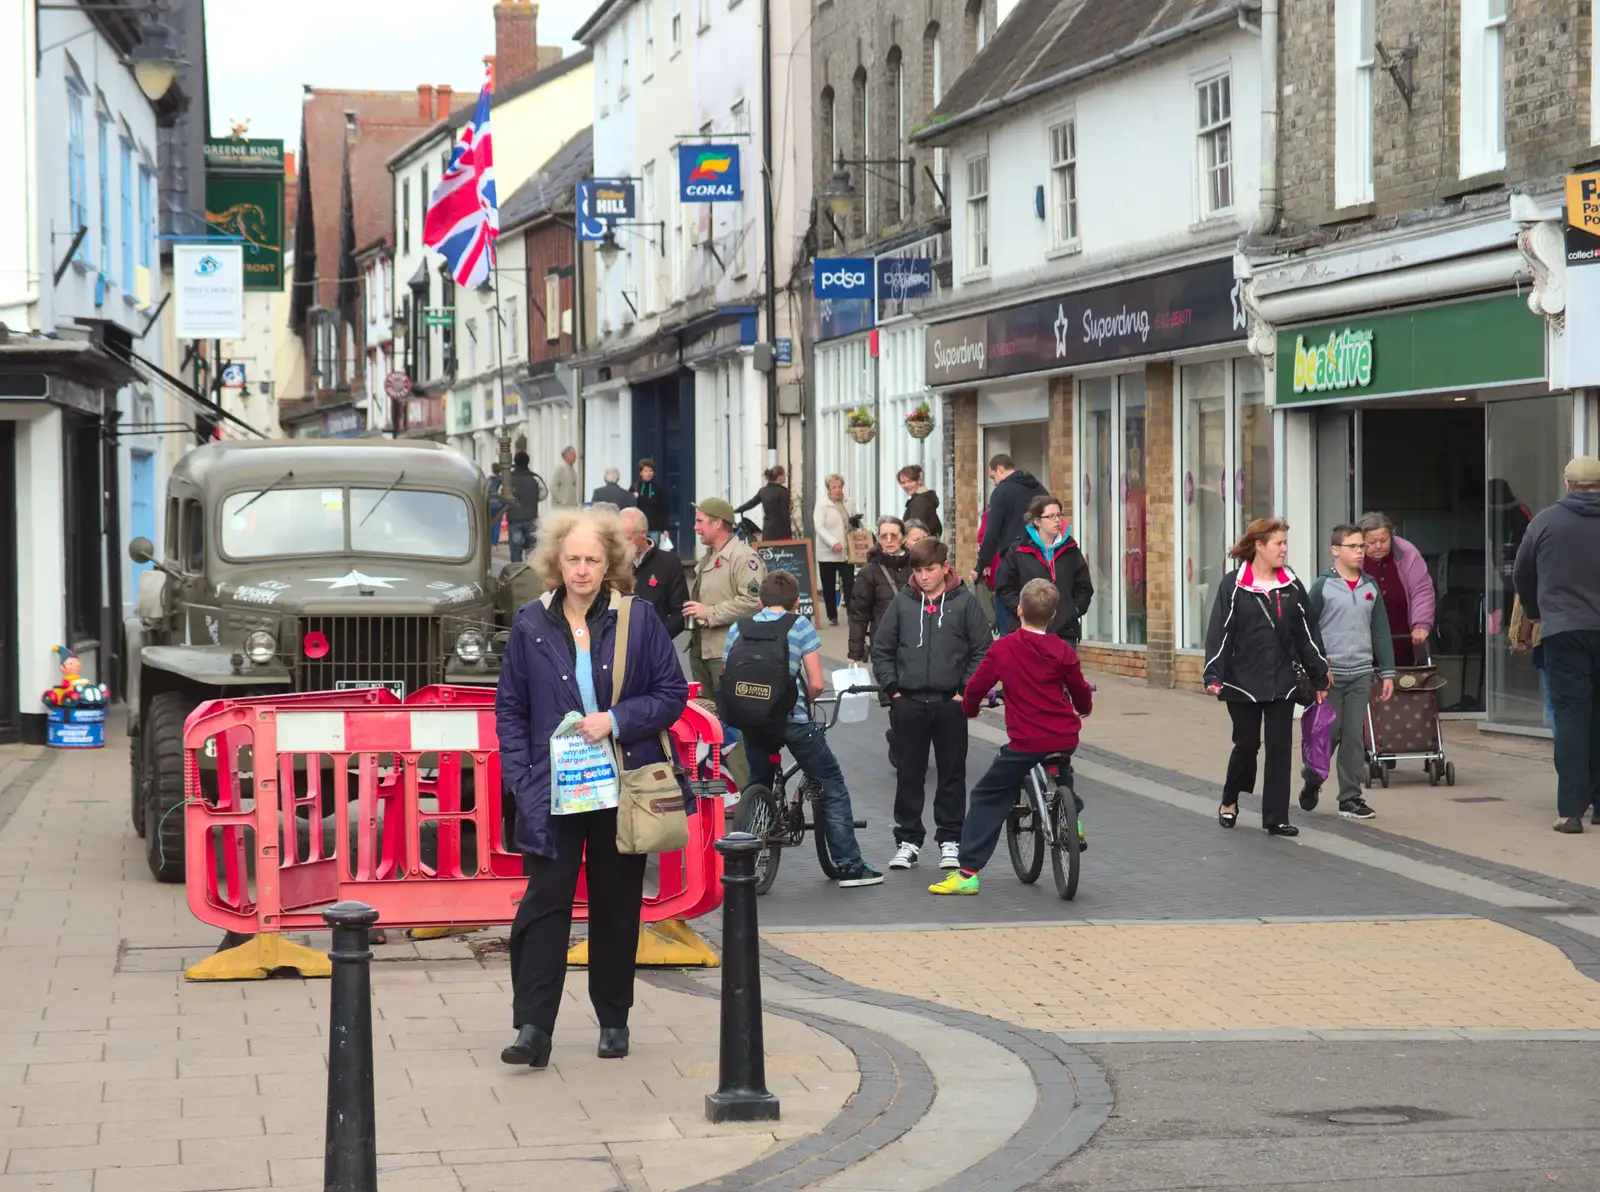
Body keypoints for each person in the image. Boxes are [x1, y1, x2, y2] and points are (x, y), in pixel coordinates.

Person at [495, 509, 690, 1067]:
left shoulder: (640, 619)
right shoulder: (531, 623)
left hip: (619, 783)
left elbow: (671, 693)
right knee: (542, 906)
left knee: (615, 904)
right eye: (572, 559)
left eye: (592, 560)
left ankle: (613, 1019)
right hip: (552, 789)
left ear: (611, 564)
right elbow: (510, 708)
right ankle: (533, 1027)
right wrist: (521, 775)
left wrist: (617, 719)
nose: (581, 570)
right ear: (556, 561)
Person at [932, 579, 1095, 895]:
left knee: (987, 795)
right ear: (1053, 614)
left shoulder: (1003, 648)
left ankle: (966, 874)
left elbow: (976, 688)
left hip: (1026, 741)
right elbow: (1079, 689)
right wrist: (1084, 707)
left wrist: (970, 709)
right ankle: (1071, 817)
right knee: (1062, 768)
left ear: (1019, 610)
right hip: (1063, 735)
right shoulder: (1063, 650)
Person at [724, 570, 883, 887]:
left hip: (752, 721)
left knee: (759, 781)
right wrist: (799, 702)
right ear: (797, 601)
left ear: (760, 600)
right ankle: (850, 866)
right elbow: (816, 682)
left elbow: (729, 674)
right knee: (830, 781)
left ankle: (747, 851)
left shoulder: (738, 627)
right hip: (792, 721)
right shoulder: (799, 625)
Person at [1203, 517, 1330, 837]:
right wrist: (1213, 675)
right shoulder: (1233, 585)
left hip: (1282, 680)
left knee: (1279, 747)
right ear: (1259, 546)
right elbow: (1220, 631)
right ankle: (1230, 799)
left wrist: (1320, 676)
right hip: (1241, 681)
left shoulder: (1291, 585)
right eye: (1279, 544)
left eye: (1286, 543)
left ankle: (1276, 817)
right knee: (1246, 745)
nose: (1284, 550)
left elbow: (1307, 633)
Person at [871, 537, 992, 870]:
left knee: (952, 774)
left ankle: (950, 840)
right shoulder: (903, 602)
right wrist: (892, 690)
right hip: (908, 702)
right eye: (918, 570)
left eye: (930, 569)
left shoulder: (964, 602)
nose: (923, 576)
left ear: (945, 568)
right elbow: (882, 648)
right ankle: (908, 841)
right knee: (910, 774)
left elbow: (983, 650)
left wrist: (965, 690)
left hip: (949, 702)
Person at [1512, 456, 1600, 834]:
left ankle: (1571, 812)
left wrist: (1534, 612)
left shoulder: (1544, 522)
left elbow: (1521, 573)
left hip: (1563, 631)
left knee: (1571, 718)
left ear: (1567, 484)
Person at [1299, 525, 1396, 822]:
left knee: (1353, 735)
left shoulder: (1369, 587)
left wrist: (1388, 672)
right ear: (1335, 550)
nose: (1359, 552)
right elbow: (1306, 629)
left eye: (1362, 547)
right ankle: (1313, 776)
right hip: (1329, 676)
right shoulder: (1323, 586)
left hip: (1361, 674)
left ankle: (1350, 798)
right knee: (1329, 733)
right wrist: (1314, 666)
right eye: (1353, 546)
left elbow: (1380, 631)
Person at [684, 497, 766, 788]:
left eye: (700, 521)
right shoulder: (708, 557)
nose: (695, 527)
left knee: (732, 725)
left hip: (728, 653)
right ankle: (722, 791)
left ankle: (750, 793)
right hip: (703, 650)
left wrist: (711, 613)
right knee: (708, 724)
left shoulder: (744, 557)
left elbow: (755, 601)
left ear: (718, 523)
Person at [993, 494, 1093, 642]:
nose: (1057, 520)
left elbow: (1084, 586)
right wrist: (1023, 611)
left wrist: (1074, 610)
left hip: (1064, 632)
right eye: (1051, 516)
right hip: (1027, 632)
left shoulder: (1070, 549)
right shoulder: (1019, 550)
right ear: (1037, 521)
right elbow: (1005, 588)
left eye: (1059, 515)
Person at [971, 454, 1049, 635]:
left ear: (999, 469)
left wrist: (981, 565)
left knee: (1007, 606)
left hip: (1012, 560)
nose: (994, 482)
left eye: (993, 477)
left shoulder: (1002, 491)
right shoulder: (1040, 489)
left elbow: (992, 532)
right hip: (1039, 558)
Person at [1358, 512, 1435, 668]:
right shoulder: (1352, 556)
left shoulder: (1407, 553)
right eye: (1371, 542)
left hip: (1402, 638)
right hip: (1362, 644)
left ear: (1391, 536)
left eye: (1383, 540)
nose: (1378, 546)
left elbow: (1422, 590)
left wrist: (1421, 625)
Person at [848, 516, 911, 663]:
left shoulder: (916, 567)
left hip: (915, 641)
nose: (889, 540)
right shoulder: (869, 572)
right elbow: (859, 614)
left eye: (894, 536)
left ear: (903, 538)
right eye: (884, 536)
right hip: (884, 644)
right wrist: (854, 653)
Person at [622, 507, 688, 638]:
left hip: (655, 647)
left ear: (643, 533)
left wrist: (657, 638)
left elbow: (680, 612)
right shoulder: (612, 564)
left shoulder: (669, 563)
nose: (622, 545)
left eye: (627, 539)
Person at [813, 473, 857, 628]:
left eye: (840, 487)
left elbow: (853, 521)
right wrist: (832, 542)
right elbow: (819, 526)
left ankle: (853, 614)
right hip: (827, 551)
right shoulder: (822, 504)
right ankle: (832, 616)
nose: (838, 490)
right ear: (828, 489)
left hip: (846, 550)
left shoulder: (849, 502)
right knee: (828, 584)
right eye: (834, 487)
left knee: (849, 583)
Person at [737, 465, 792, 542]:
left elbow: (751, 503)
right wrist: (789, 532)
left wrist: (737, 510)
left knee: (769, 551)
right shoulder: (783, 492)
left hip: (768, 531)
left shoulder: (763, 491)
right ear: (779, 477)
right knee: (783, 553)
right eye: (784, 475)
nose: (785, 477)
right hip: (782, 531)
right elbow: (785, 514)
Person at [506, 451, 541, 564]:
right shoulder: (535, 478)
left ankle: (516, 576)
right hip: (531, 519)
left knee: (516, 553)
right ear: (528, 462)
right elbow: (543, 493)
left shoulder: (508, 479)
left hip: (514, 519)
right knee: (532, 552)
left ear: (514, 462)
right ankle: (531, 574)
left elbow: (501, 495)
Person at [899, 465, 942, 537]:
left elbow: (914, 533)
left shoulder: (919, 502)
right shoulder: (926, 499)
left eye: (910, 481)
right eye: (903, 482)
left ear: (918, 481)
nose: (906, 485)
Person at [634, 459, 669, 545]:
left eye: (651, 471)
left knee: (654, 550)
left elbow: (663, 509)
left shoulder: (657, 488)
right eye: (645, 471)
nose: (648, 473)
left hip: (654, 527)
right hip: (639, 527)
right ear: (640, 473)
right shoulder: (635, 487)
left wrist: (665, 528)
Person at [488, 463, 505, 548]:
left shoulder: (489, 479)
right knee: (497, 524)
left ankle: (490, 542)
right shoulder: (502, 479)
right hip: (499, 504)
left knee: (490, 523)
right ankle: (495, 543)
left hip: (490, 504)